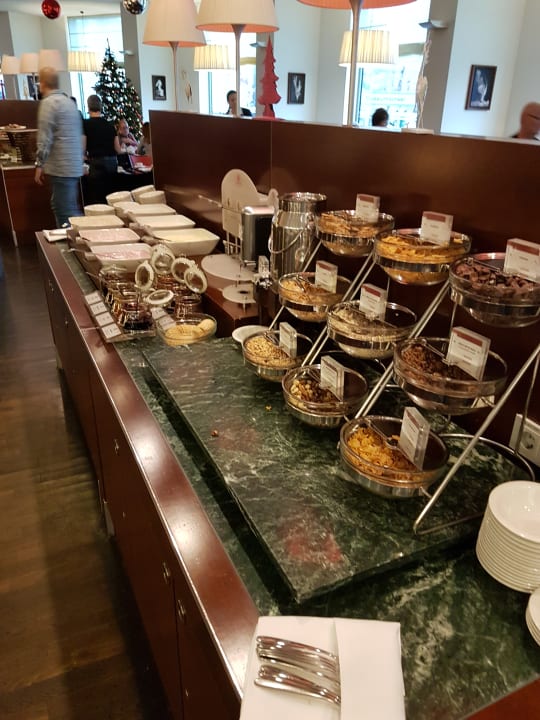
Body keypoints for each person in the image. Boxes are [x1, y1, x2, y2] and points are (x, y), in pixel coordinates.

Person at [34, 66, 84, 228]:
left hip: (60, 166)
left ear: (42, 84)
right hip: (73, 165)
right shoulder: (69, 103)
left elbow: (44, 137)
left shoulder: (49, 103)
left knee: (65, 211)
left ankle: (70, 242)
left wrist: (39, 164)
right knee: (68, 208)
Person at [82, 94, 121, 205]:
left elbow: (82, 148)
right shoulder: (110, 125)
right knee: (111, 195)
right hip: (112, 163)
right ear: (101, 106)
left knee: (97, 197)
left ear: (88, 107)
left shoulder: (85, 124)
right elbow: (118, 149)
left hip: (97, 163)